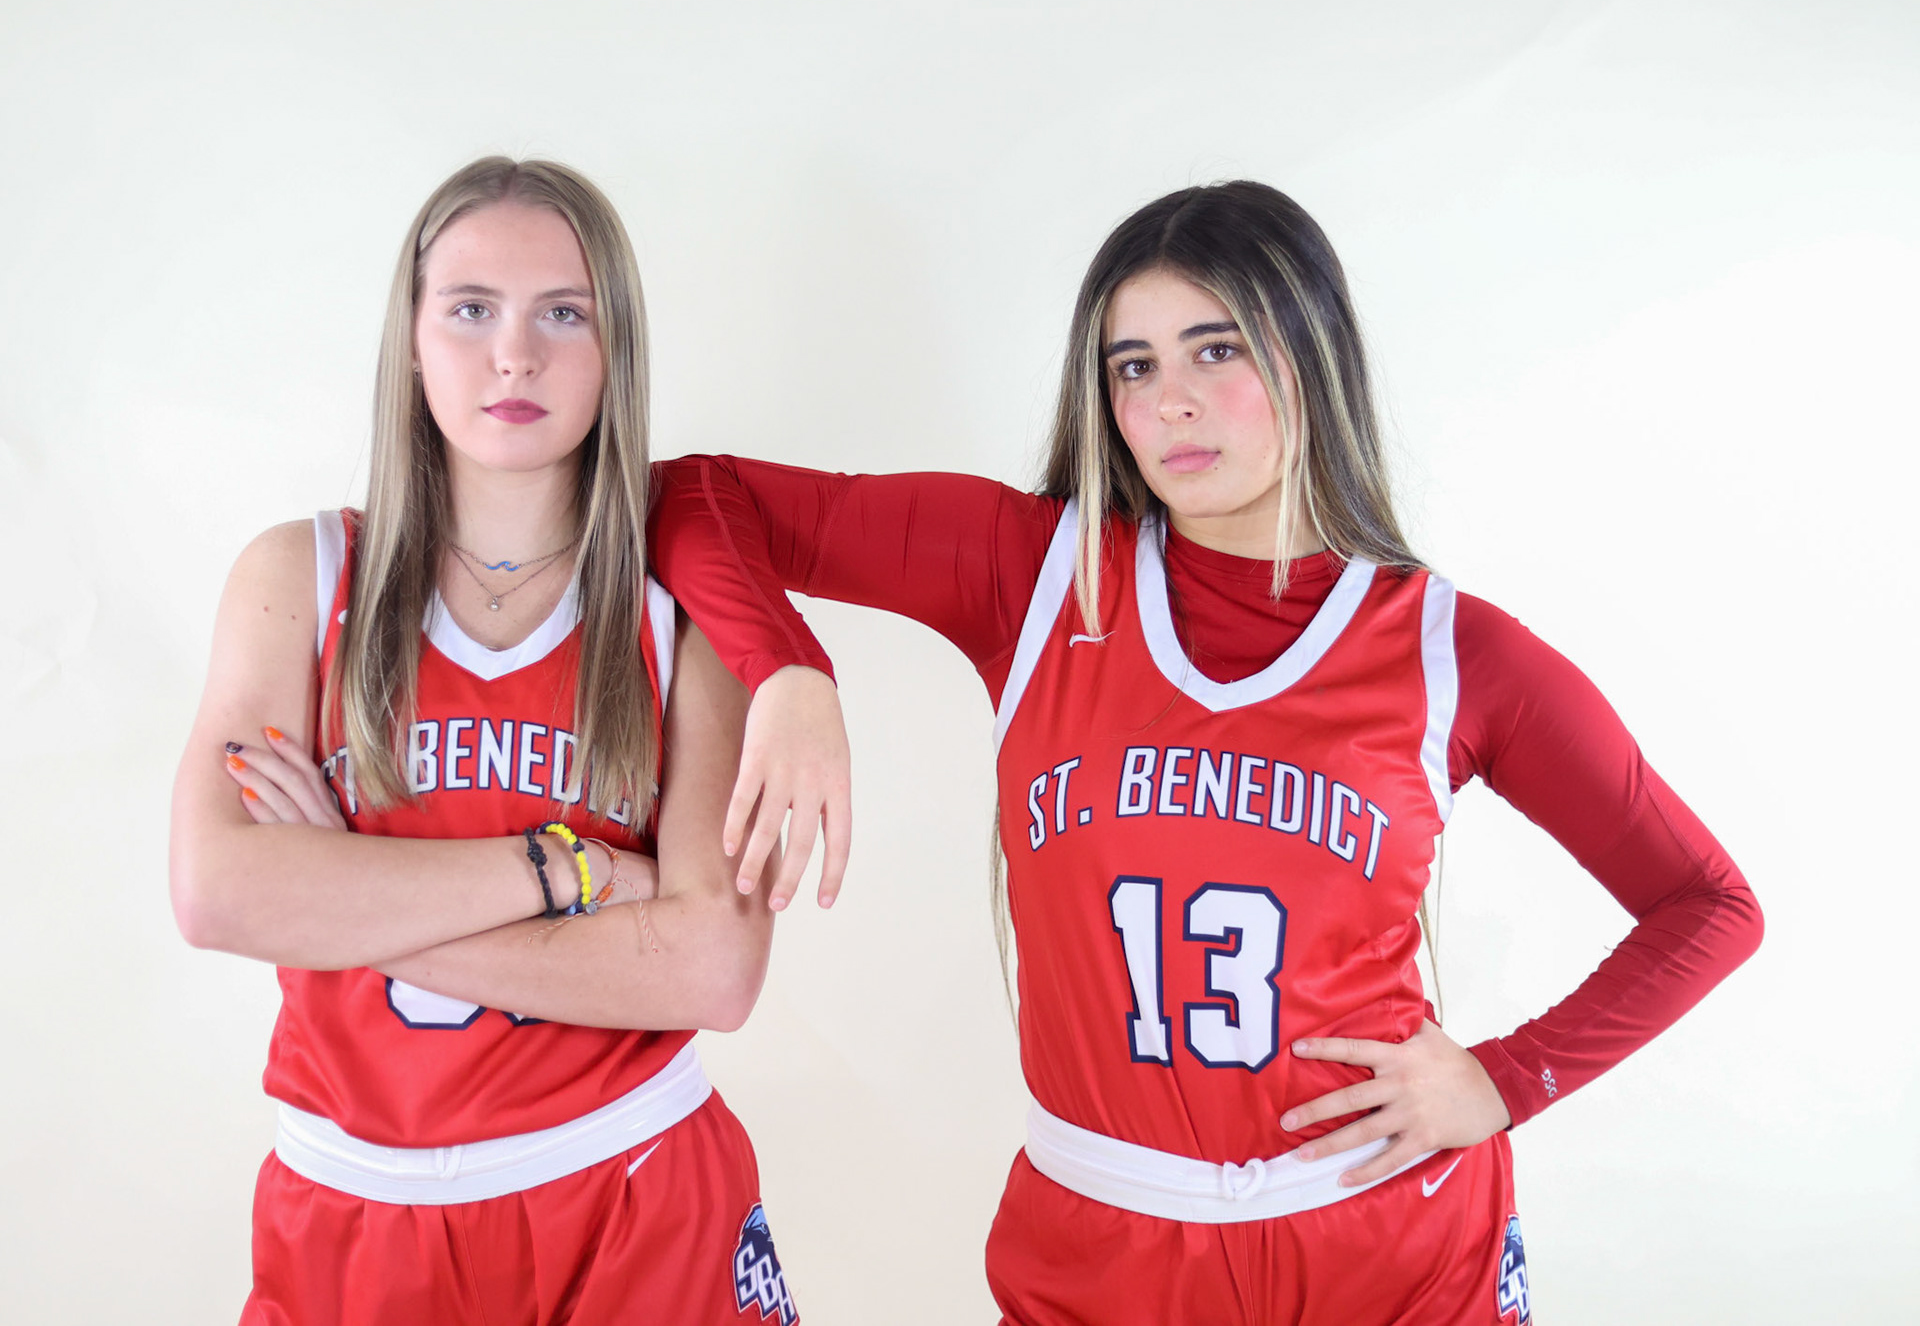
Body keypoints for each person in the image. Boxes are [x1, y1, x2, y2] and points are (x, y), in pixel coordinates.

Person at [647, 180, 1764, 1324]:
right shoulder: (1035, 573)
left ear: (1311, 355)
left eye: (1214, 349)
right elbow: (687, 496)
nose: (1169, 401)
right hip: (1102, 1240)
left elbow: (1710, 903)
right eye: (1132, 366)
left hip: (1390, 1244)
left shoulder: (1450, 651)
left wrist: (1505, 1079)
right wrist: (788, 668)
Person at [169, 157, 842, 1326]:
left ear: (615, 344)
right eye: (471, 308)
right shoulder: (300, 577)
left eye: (563, 314)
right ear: (412, 337)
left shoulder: (679, 604)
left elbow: (712, 969)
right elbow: (218, 892)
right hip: (351, 1207)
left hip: (631, 1186)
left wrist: (347, 900)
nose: (514, 356)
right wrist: (569, 872)